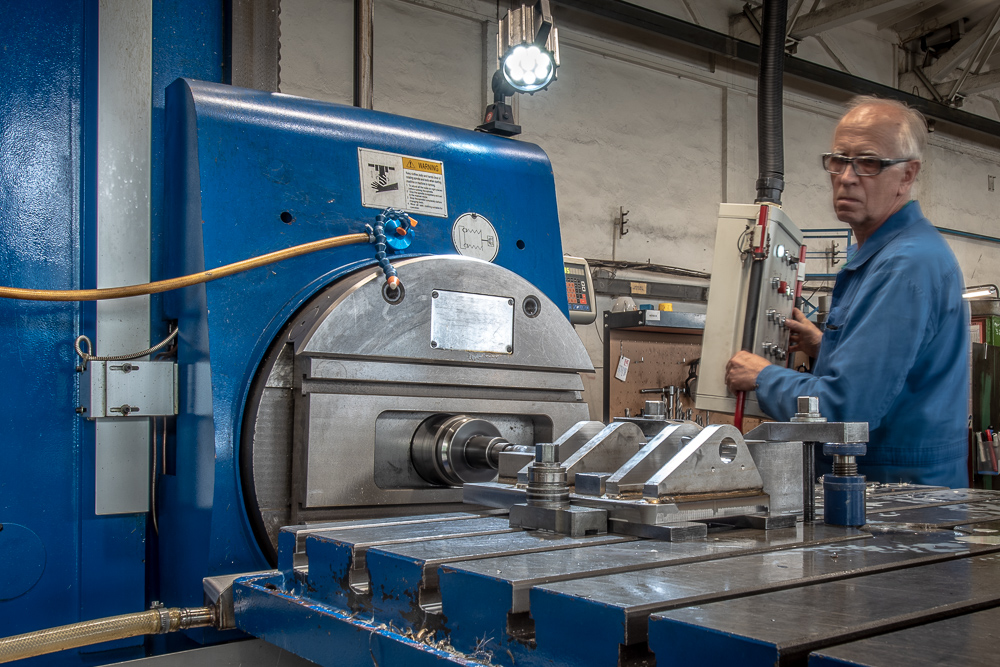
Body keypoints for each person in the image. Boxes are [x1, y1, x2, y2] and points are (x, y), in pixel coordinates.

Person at [725, 96, 969, 488]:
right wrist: (823, 345)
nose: (847, 176)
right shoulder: (879, 255)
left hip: (898, 497)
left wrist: (763, 377)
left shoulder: (904, 265)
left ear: (907, 175)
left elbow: (848, 411)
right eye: (839, 160)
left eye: (868, 162)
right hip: (885, 487)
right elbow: (897, 370)